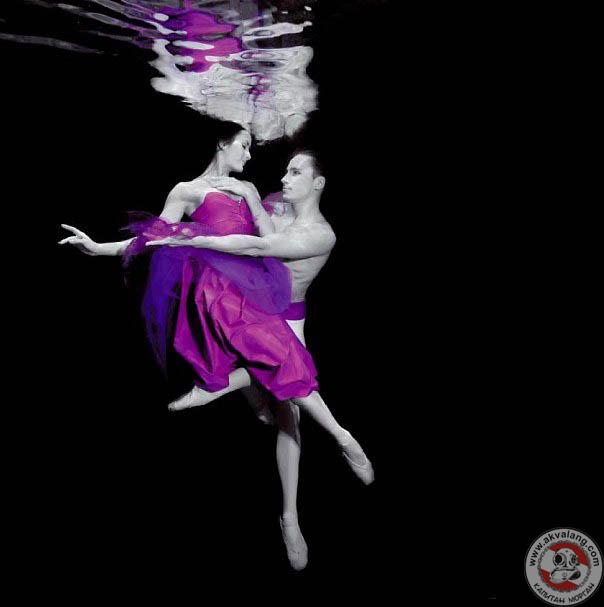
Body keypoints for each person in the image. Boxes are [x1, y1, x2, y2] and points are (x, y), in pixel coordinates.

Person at [60, 134, 372, 570]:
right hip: (251, 309)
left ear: (317, 183)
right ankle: (228, 386)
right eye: (246, 147)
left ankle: (290, 516)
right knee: (270, 407)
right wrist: (98, 248)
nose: (280, 174)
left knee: (288, 412)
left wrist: (238, 209)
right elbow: (158, 236)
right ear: (223, 144)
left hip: (287, 316)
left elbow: (259, 246)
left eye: (295, 171)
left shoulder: (316, 231)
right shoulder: (270, 202)